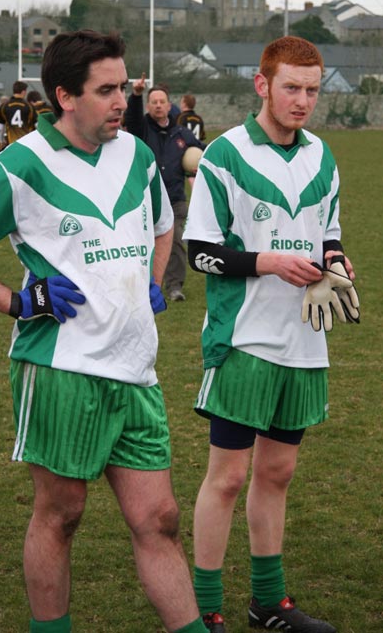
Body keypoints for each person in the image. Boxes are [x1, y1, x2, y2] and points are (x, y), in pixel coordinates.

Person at [0, 30, 208, 633]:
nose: (121, 101)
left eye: (123, 87)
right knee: (62, 516)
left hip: (137, 370)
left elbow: (164, 225)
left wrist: (152, 282)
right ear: (64, 96)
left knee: (159, 518)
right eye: (106, 90)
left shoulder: (135, 153)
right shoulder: (22, 163)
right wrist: (14, 300)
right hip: (62, 368)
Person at [182, 36, 359, 633]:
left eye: (311, 90)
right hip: (243, 339)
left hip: (305, 339)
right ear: (262, 85)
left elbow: (328, 232)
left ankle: (268, 603)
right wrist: (267, 262)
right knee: (228, 476)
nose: (303, 100)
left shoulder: (323, 157)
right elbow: (199, 252)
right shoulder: (225, 156)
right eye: (291, 87)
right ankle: (205, 609)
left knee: (277, 474)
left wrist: (336, 261)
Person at [125, 73, 204, 303]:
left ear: (170, 106)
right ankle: (139, 283)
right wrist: (136, 95)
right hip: (145, 199)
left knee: (177, 242)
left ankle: (175, 286)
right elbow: (132, 118)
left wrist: (200, 163)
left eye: (162, 102)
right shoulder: (142, 130)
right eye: (154, 102)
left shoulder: (182, 134)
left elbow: (202, 152)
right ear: (148, 106)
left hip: (176, 199)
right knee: (141, 243)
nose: (158, 105)